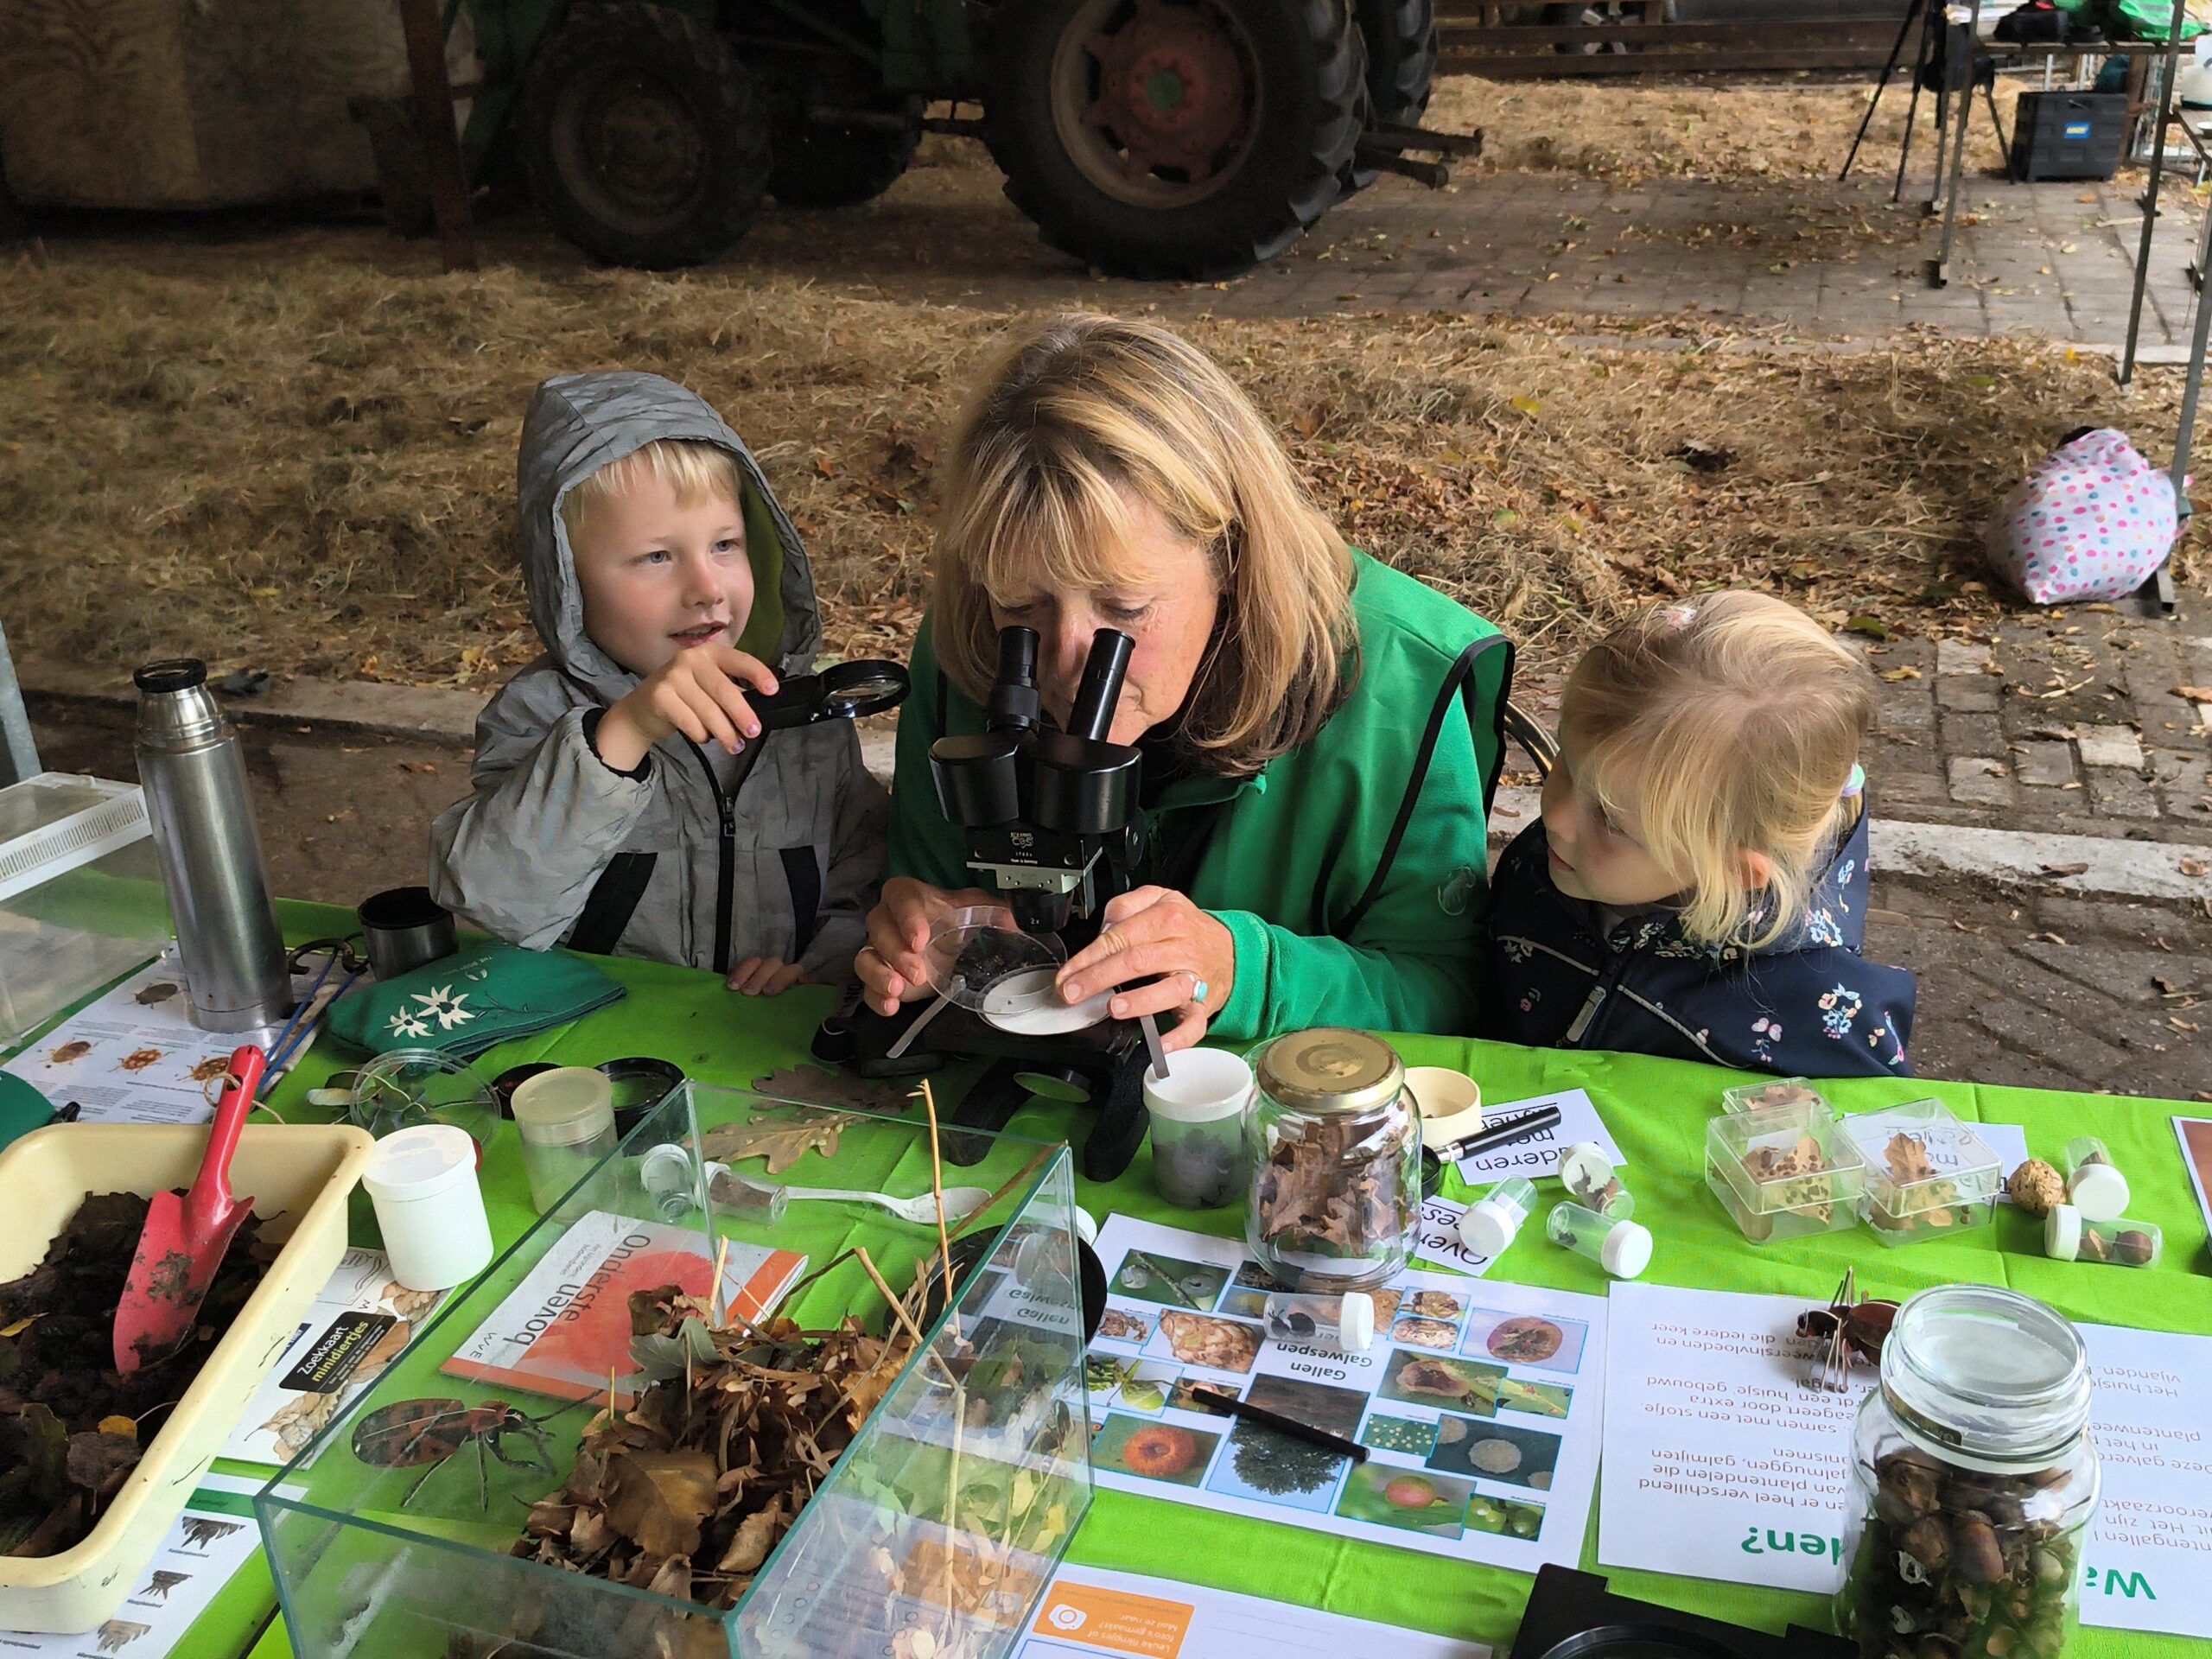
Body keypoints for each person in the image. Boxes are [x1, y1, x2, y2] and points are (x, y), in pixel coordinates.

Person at [856, 314, 1511, 1050]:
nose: (1063, 661)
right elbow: (928, 897)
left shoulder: (1401, 682)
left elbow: (1454, 993)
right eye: (1024, 605)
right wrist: (925, 935)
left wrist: (1249, 972)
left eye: (1125, 607)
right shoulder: (971, 643)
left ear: (1231, 558)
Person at [429, 371, 885, 989]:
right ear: (568, 582)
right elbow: (494, 903)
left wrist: (820, 969)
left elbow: (859, 881)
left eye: (725, 544)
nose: (707, 588)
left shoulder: (804, 725)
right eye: (656, 557)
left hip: (760, 1042)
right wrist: (623, 733)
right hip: (598, 1040)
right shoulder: (536, 717)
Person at [1486, 593, 1916, 1076]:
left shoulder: (1823, 1020)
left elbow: (1851, 1137)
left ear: (1733, 869)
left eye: (1611, 818)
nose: (1556, 818)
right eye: (1567, 761)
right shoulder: (1542, 866)